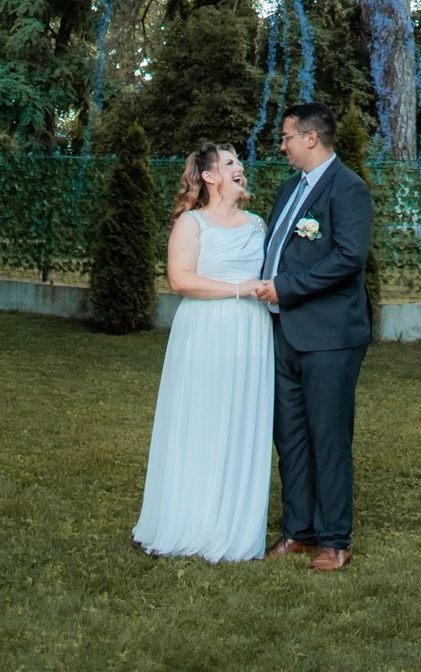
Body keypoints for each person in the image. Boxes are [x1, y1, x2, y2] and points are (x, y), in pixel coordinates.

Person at [133, 142, 273, 562]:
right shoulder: (191, 224)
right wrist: (237, 289)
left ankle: (234, 525)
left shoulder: (258, 224)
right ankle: (188, 519)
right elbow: (180, 280)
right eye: (231, 164)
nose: (240, 169)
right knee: (201, 420)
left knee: (241, 422)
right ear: (210, 176)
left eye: (240, 163)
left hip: (251, 334)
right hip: (204, 332)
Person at [256, 99, 374, 573]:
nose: (281, 146)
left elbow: (348, 258)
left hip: (329, 336)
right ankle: (298, 532)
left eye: (286, 137)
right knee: (291, 437)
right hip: (284, 331)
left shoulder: (348, 189)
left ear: (311, 137)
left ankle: (335, 539)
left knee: (328, 437)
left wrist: (284, 287)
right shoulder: (289, 189)